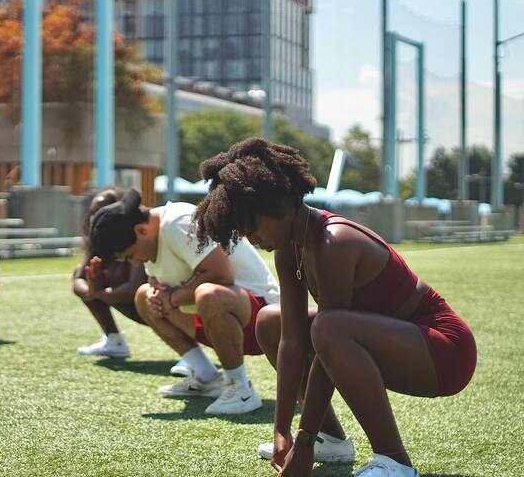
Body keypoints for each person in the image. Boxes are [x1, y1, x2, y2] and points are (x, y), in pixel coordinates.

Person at [193, 138, 477, 476]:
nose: (248, 236)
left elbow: (329, 341)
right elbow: (292, 341)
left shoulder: (335, 241)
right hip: (392, 344)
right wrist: (282, 431)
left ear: (276, 203)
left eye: (248, 224)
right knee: (270, 321)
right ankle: (330, 440)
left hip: (443, 353)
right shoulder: (289, 249)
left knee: (329, 327)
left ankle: (395, 462)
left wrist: (303, 441)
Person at [88, 188, 280, 415]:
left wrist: (171, 298)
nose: (135, 263)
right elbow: (157, 282)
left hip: (264, 322)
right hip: (225, 320)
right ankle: (207, 377)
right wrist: (158, 295)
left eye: (130, 256)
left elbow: (221, 276)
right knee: (144, 296)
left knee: (210, 295)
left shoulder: (177, 222)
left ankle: (241, 388)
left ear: (141, 230)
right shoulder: (151, 235)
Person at [73, 188, 148, 358]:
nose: (94, 218)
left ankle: (190, 353)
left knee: (147, 292)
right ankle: (114, 340)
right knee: (89, 274)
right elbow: (79, 278)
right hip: (130, 303)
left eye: (100, 212)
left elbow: (133, 288)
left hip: (155, 306)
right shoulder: (98, 241)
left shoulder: (134, 237)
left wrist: (97, 292)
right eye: (92, 213)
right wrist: (92, 290)